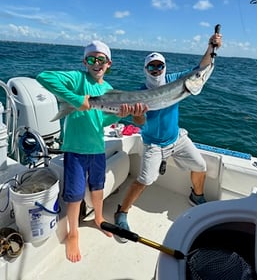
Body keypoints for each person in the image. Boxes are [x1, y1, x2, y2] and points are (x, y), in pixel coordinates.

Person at [37, 40, 135, 263]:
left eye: (101, 59)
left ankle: (99, 218)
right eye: (92, 59)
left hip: (97, 148)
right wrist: (77, 99)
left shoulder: (109, 90)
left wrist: (121, 114)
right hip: (75, 149)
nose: (96, 63)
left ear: (108, 64)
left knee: (97, 188)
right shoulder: (77, 78)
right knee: (74, 194)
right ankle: (73, 232)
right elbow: (44, 76)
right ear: (85, 61)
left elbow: (103, 119)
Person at [114, 32, 222, 234]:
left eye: (159, 65)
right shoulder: (140, 91)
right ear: (145, 69)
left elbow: (200, 69)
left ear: (165, 67)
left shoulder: (175, 80)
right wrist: (137, 115)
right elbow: (139, 123)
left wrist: (211, 48)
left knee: (200, 166)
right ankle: (122, 212)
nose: (156, 69)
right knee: (145, 180)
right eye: (151, 66)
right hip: (153, 144)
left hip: (176, 138)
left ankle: (196, 196)